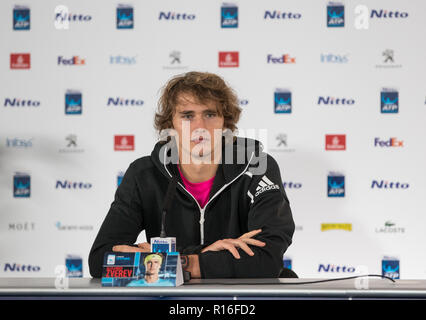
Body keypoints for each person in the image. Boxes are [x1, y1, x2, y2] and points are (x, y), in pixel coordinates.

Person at [89, 71, 295, 279]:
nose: (200, 128)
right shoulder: (143, 174)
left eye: (210, 114)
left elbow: (267, 259)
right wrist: (200, 254)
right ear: (170, 125)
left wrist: (170, 264)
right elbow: (101, 261)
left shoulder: (257, 166)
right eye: (187, 116)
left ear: (225, 123)